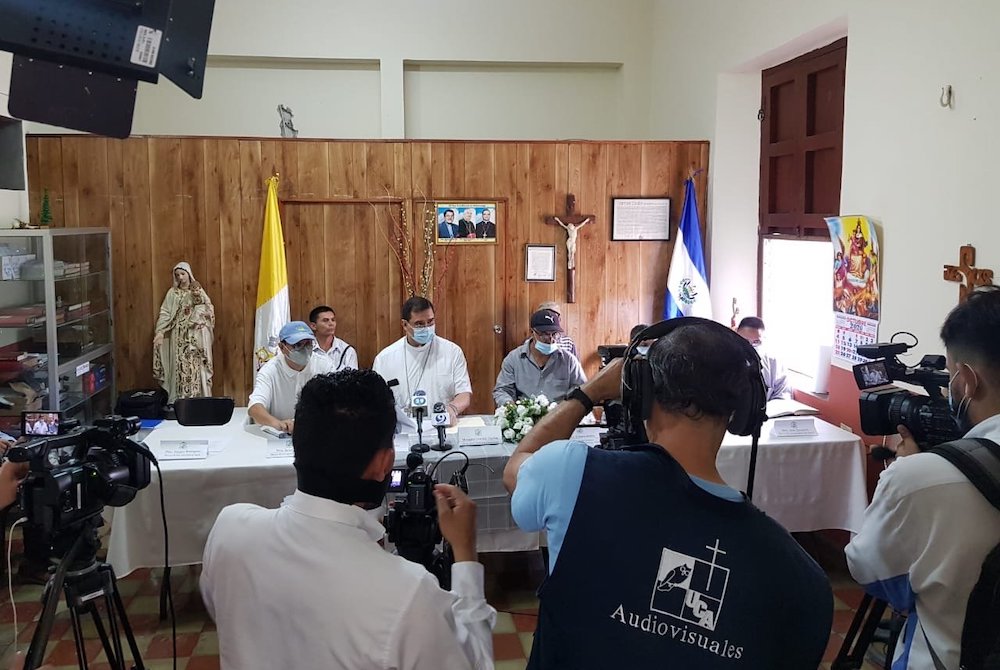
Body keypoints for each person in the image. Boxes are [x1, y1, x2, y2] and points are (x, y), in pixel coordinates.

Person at [503, 320, 833, 669]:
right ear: (743, 412)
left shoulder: (571, 473)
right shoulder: (805, 585)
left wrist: (588, 394)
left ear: (642, 394)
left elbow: (515, 471)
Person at [201, 369, 496, 669]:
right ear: (384, 463)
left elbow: (224, 611)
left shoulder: (230, 529)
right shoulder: (408, 593)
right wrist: (465, 555)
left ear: (298, 445)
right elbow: (474, 663)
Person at [846, 286, 1000, 669]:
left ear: (966, 379)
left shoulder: (923, 478)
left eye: (950, 376)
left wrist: (906, 472)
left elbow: (868, 570)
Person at [372, 296, 472, 427]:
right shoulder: (384, 359)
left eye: (430, 322)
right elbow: (375, 402)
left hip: (441, 426)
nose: (426, 328)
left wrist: (453, 408)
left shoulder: (452, 351)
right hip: (402, 430)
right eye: (419, 324)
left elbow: (464, 394)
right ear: (405, 325)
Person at [248, 321, 335, 433]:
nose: (304, 349)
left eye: (308, 344)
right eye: (298, 345)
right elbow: (254, 407)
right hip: (280, 435)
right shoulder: (270, 370)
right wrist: (279, 424)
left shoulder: (324, 365)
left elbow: (337, 400)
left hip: (317, 432)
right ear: (282, 347)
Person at [493, 309, 586, 407]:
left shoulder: (569, 361)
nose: (550, 339)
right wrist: (510, 407)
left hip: (560, 416)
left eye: (554, 334)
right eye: (545, 334)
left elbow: (582, 390)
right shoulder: (514, 359)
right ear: (532, 332)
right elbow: (502, 390)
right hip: (524, 417)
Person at [153, 261, 215, 401]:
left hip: (194, 338)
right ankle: (179, 399)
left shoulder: (197, 290)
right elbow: (165, 313)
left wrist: (202, 322)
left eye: (183, 274)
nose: (180, 277)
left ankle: (198, 398)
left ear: (188, 274)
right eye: (177, 275)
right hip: (178, 336)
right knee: (179, 367)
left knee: (196, 368)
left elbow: (208, 308)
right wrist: (160, 332)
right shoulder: (173, 293)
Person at [736, 317, 790, 401]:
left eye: (756, 342)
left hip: (768, 412)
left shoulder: (774, 363)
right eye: (745, 341)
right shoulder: (721, 359)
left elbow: (783, 396)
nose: (750, 347)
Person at [308, 305, 358, 372]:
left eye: (333, 320)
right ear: (313, 326)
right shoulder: (307, 349)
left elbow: (353, 379)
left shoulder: (348, 351)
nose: (331, 323)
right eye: (325, 320)